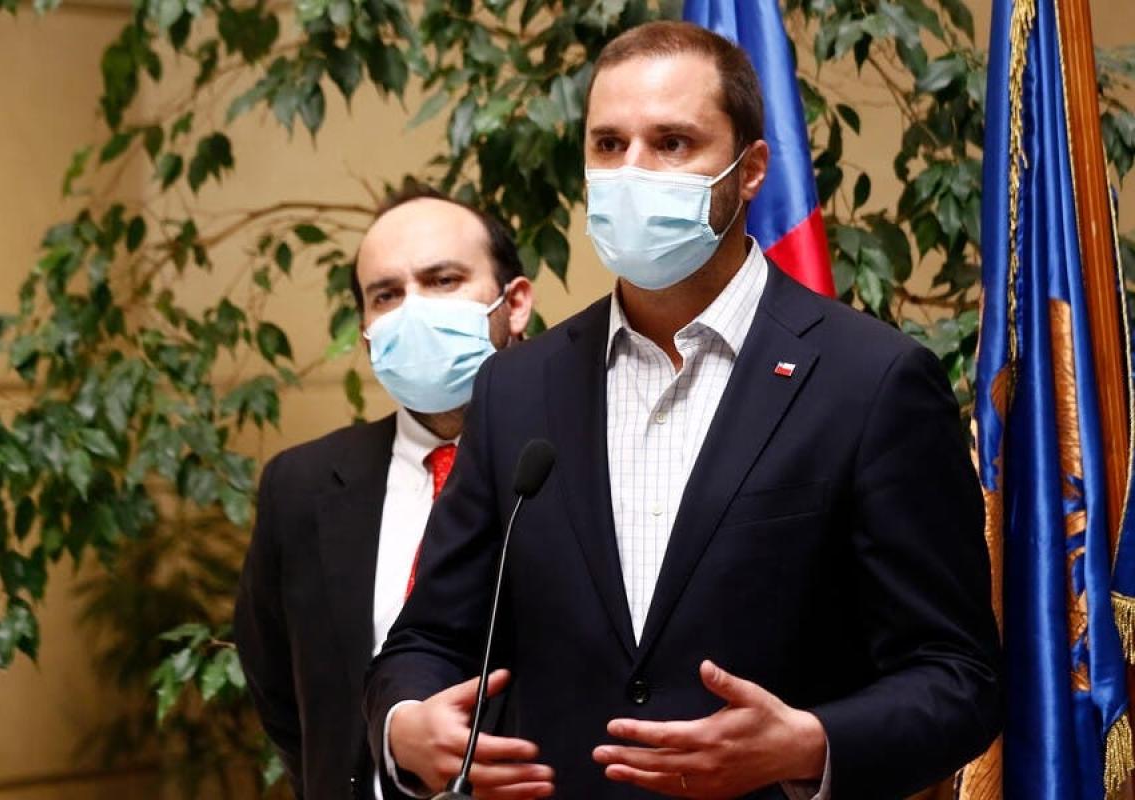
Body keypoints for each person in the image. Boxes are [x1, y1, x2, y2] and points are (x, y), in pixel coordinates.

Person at [364, 20, 1001, 800]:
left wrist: (808, 745)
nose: (632, 172)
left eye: (671, 143)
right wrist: (404, 723)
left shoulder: (872, 381)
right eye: (608, 145)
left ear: (750, 170)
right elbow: (428, 639)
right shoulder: (516, 390)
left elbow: (958, 677)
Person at [233, 186, 534, 800]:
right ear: (367, 331)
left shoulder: (583, 456)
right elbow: (280, 693)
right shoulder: (302, 486)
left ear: (516, 303)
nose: (413, 311)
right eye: (387, 295)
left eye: (444, 280)